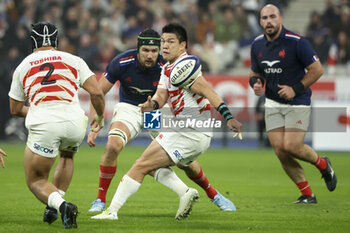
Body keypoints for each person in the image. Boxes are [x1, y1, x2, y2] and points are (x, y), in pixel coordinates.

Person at [91, 23, 242, 220]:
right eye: (148, 49)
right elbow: (100, 92)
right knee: (117, 147)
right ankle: (101, 200)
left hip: (176, 121)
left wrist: (228, 116)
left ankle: (212, 193)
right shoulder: (127, 62)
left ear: (182, 46)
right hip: (133, 108)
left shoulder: (177, 67)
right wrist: (150, 104)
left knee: (170, 163)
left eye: (158, 48)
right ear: (137, 50)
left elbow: (208, 91)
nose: (152, 54)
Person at [8, 22, 105, 228]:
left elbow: (15, 109)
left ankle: (61, 206)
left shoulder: (23, 65)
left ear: (32, 41)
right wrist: (100, 118)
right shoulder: (73, 59)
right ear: (56, 40)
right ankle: (54, 204)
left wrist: (35, 110)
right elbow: (97, 92)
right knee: (67, 155)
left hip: (45, 123)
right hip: (75, 122)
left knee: (35, 180)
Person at [249, 4, 337, 204]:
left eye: (272, 16)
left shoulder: (297, 42)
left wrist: (294, 89)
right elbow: (255, 73)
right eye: (264, 18)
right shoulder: (257, 45)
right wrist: (255, 84)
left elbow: (317, 69)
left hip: (297, 101)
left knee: (292, 146)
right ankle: (307, 194)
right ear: (260, 21)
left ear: (280, 18)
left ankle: (323, 165)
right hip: (272, 102)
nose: (269, 21)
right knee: (280, 150)